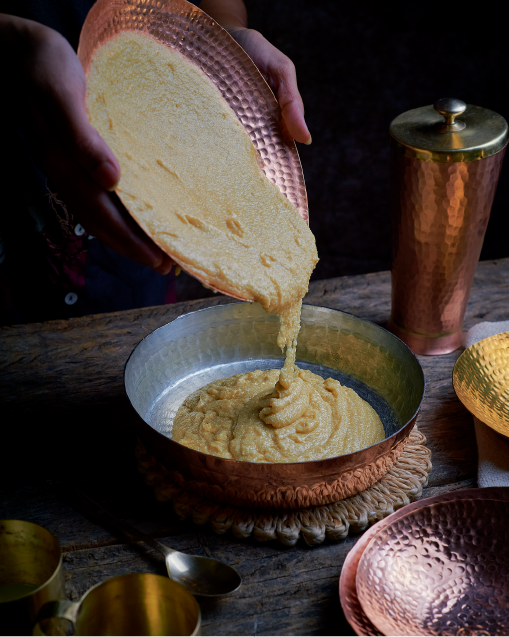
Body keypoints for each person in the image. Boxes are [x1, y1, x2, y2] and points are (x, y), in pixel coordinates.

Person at [0, 0, 311, 324]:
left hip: (159, 167)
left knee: (130, 332)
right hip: (16, 165)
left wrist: (220, 36)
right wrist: (15, 39)